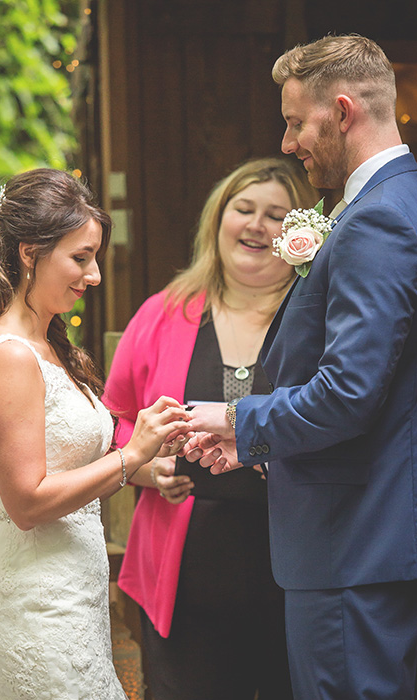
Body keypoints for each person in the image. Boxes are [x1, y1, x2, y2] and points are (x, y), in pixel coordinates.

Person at [185, 35, 417, 700]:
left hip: (352, 545)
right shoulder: (384, 205)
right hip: (362, 537)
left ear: (341, 111)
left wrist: (235, 418)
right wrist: (265, 447)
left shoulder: (377, 220)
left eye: (294, 121)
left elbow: (348, 392)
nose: (287, 143)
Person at [0, 168, 192, 700]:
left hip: (71, 601)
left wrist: (152, 452)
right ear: (29, 252)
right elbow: (26, 501)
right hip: (35, 611)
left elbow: (69, 459)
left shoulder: (49, 345)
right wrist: (132, 454)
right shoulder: (11, 358)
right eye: (80, 257)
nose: (93, 275)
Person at [104, 157, 318, 699]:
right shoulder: (161, 313)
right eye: (243, 209)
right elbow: (112, 419)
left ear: (299, 234)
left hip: (296, 568)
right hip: (183, 579)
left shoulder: (317, 319)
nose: (255, 225)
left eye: (275, 214)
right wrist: (145, 467)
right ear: (217, 220)